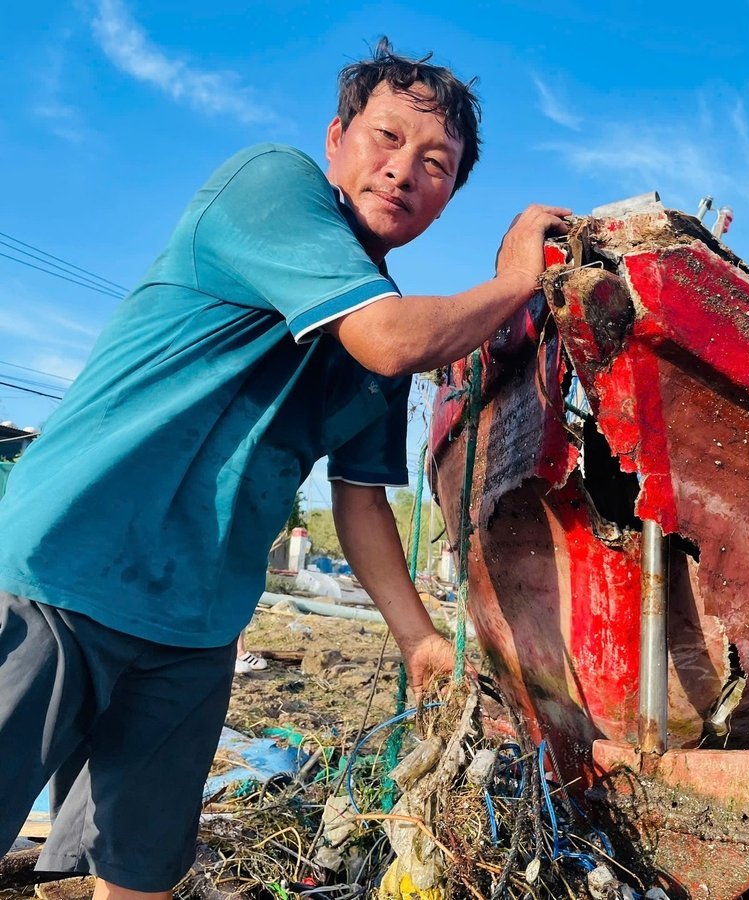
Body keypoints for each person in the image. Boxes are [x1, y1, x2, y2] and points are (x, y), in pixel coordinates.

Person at [0, 39, 569, 900]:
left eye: (436, 164)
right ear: (336, 139)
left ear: (447, 199)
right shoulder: (273, 186)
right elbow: (395, 338)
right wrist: (517, 280)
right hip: (63, 576)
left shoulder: (378, 317)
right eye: (385, 138)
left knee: (139, 871)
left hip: (195, 629)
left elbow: (362, 499)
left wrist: (418, 635)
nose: (403, 171)